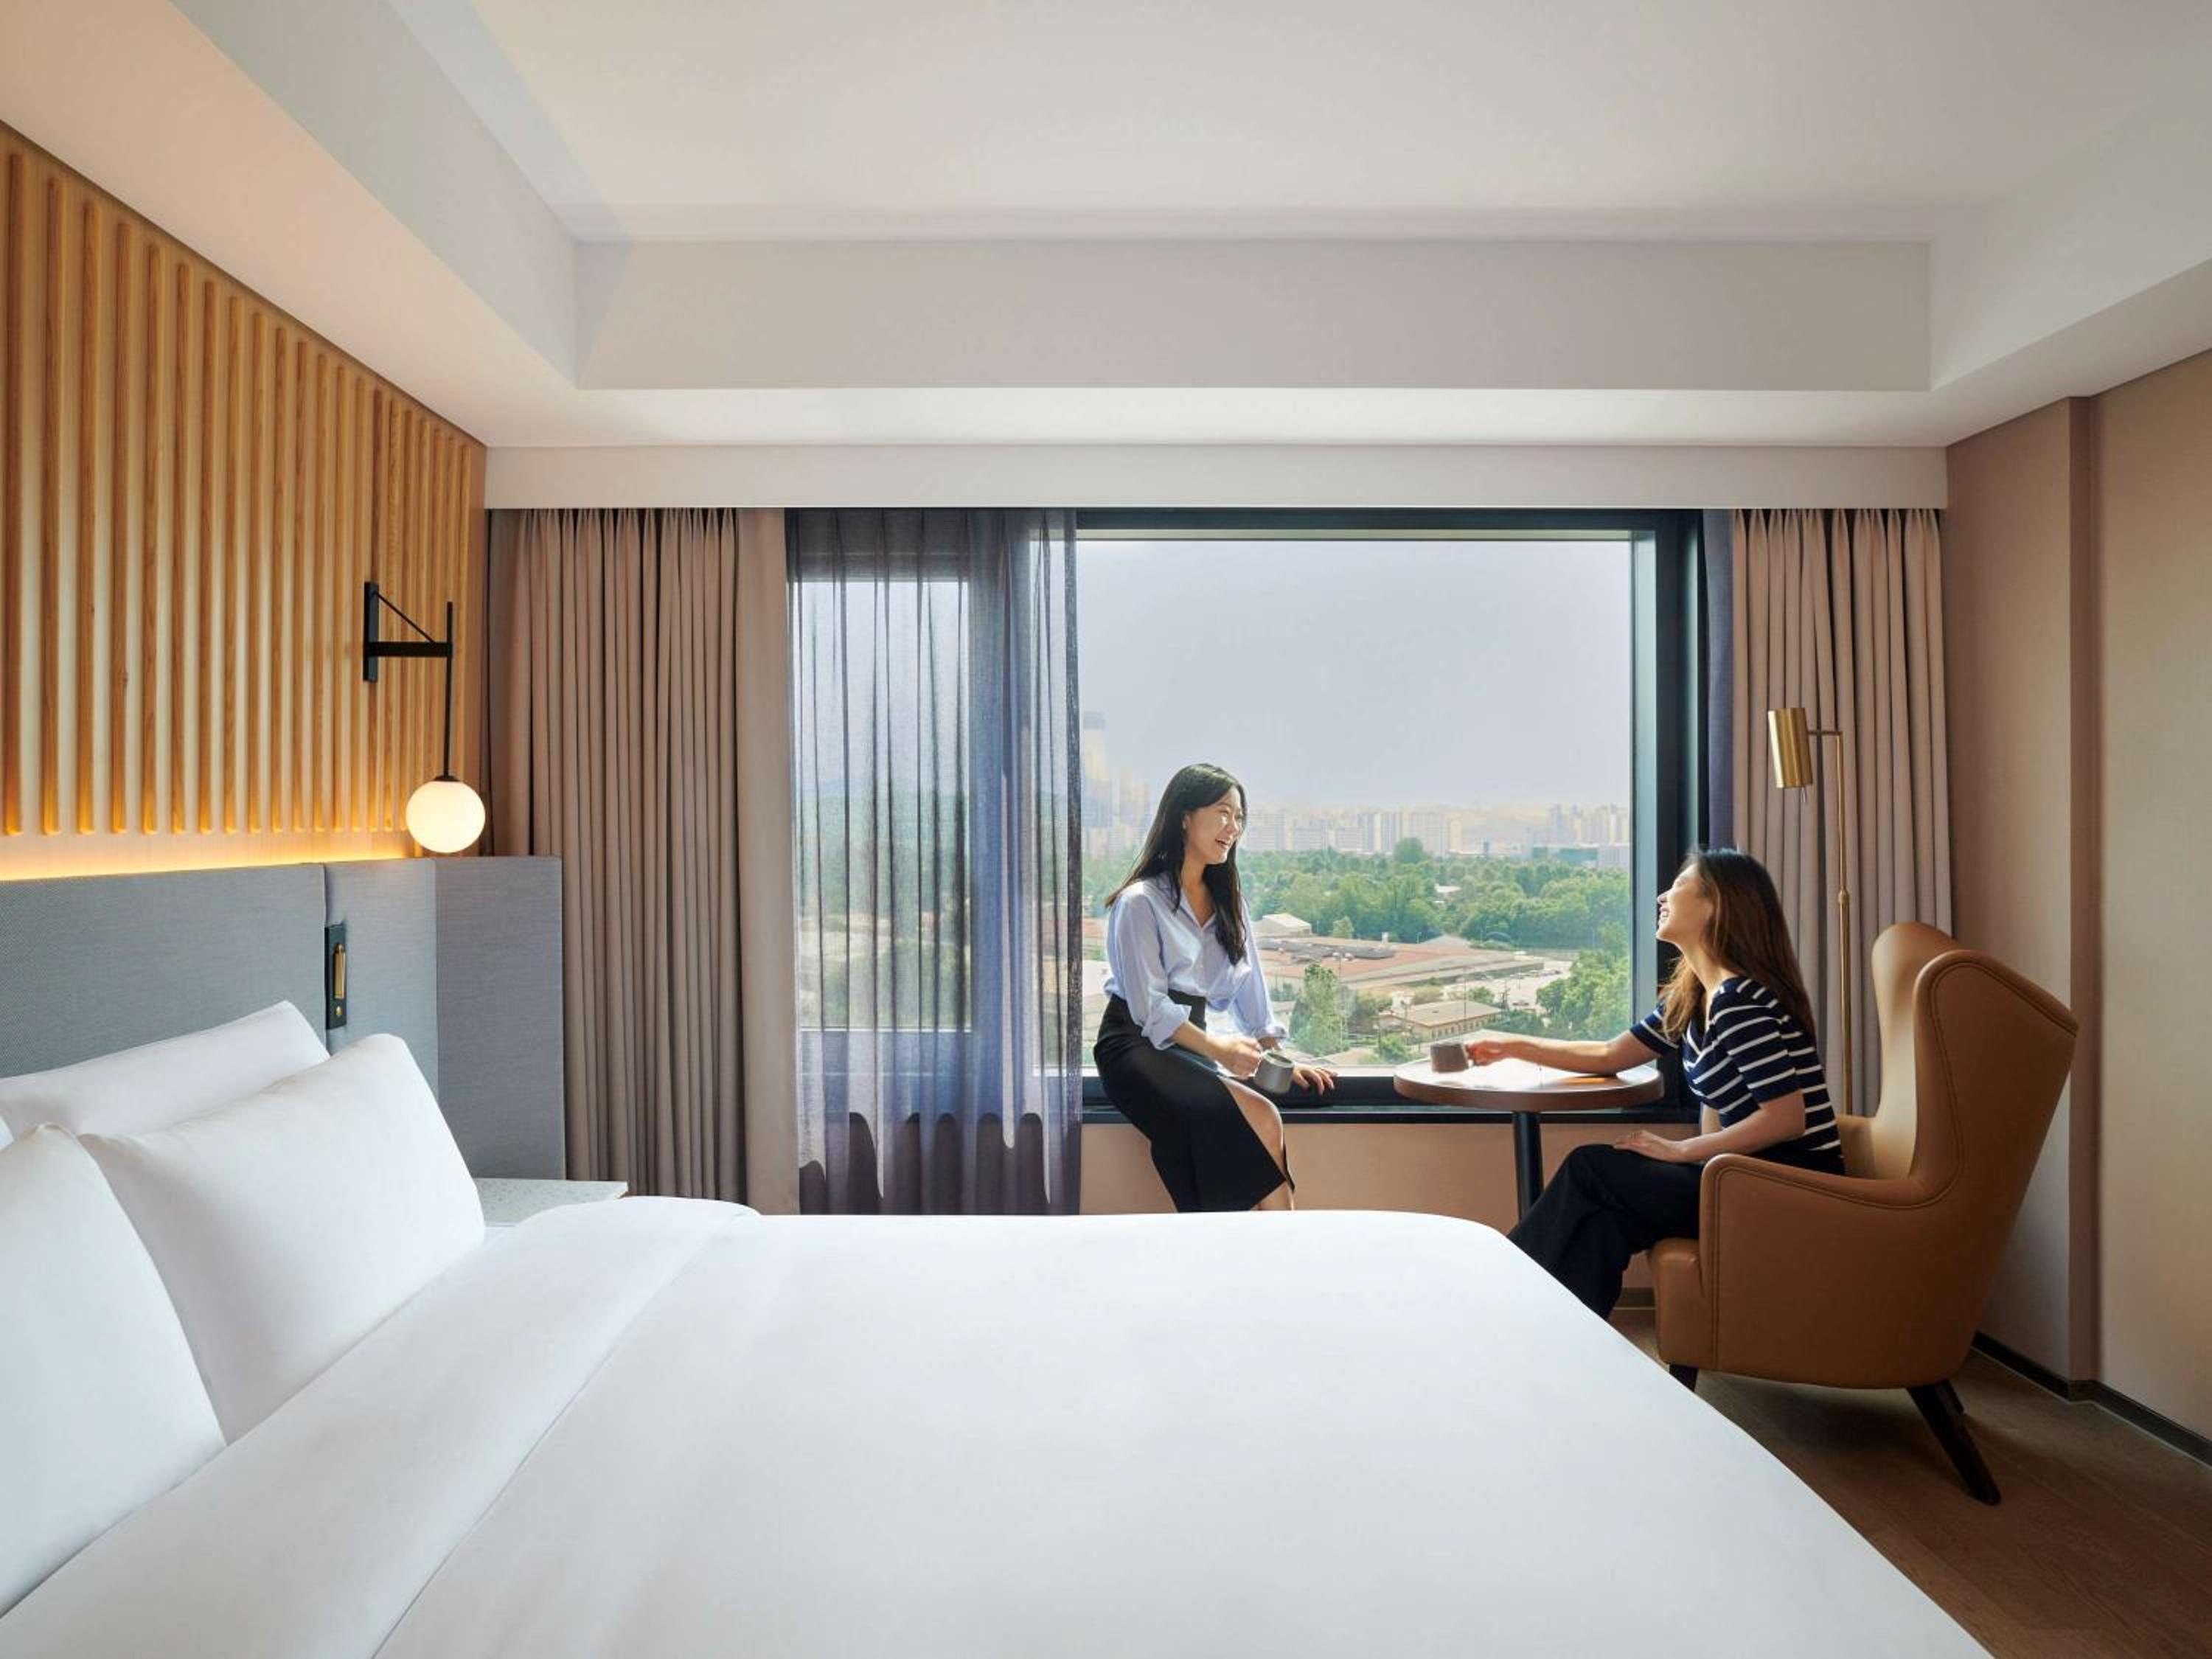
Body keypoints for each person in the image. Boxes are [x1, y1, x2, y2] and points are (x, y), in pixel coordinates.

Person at [1486, 845, 1845, 1316]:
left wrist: (1682, 1151)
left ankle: (1498, 1293)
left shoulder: (1739, 1001)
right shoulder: (1693, 997)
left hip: (1792, 1186)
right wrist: (1514, 1045)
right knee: (1603, 1224)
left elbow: (1786, 1119)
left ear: (1715, 905)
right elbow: (1612, 1055)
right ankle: (1555, 1335)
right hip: (1742, 1176)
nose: (1662, 896)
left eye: (1678, 886)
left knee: (1590, 1167)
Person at [1093, 763, 1335, 1211]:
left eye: (1239, 817)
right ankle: (1285, 1242)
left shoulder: (1229, 904)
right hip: (1134, 1045)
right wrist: (1219, 1050)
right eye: (1223, 812)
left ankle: (1278, 1241)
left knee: (1266, 1116)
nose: (1233, 827)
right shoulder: (1140, 902)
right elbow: (1149, 1009)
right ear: (1185, 816)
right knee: (1255, 1115)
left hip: (1191, 1045)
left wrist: (1278, 1058)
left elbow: (1250, 988)